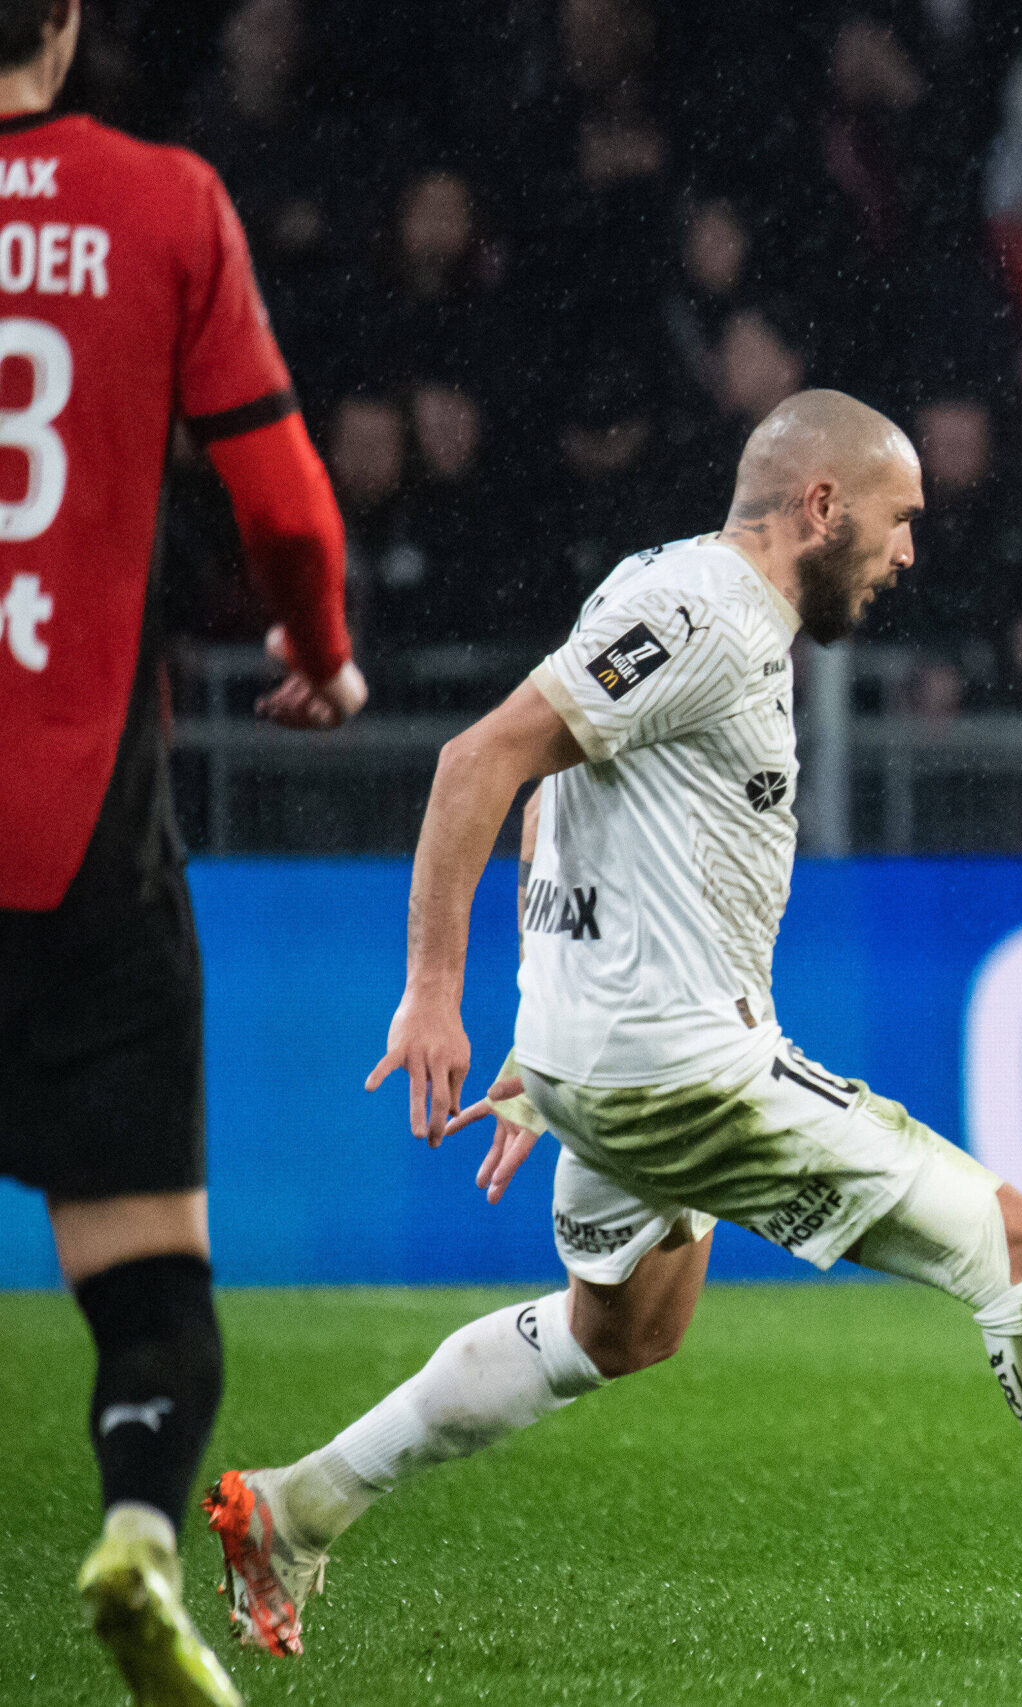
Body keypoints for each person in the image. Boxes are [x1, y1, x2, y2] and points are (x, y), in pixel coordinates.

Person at [203, 390, 1022, 1659]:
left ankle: (296, 1506)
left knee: (626, 1327)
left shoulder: (658, 584)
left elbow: (560, 780)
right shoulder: (706, 615)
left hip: (604, 1054)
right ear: (820, 506)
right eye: (898, 518)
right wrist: (435, 994)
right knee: (1019, 1244)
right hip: (681, 1068)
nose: (909, 551)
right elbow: (479, 759)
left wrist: (551, 1024)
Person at [0, 1, 363, 1702]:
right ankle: (142, 1528)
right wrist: (323, 651)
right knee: (149, 1281)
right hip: (78, 829)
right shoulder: (162, 203)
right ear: (67, 23)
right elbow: (283, 504)